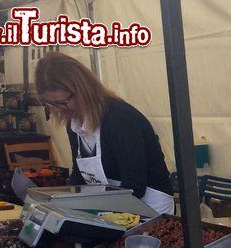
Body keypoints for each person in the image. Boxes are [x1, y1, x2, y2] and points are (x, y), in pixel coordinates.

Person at [34, 52, 174, 215]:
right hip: (113, 203)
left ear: (82, 90)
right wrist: (61, 202)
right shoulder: (74, 124)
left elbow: (134, 185)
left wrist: (98, 212)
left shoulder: (119, 119)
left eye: (63, 102)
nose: (59, 110)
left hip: (149, 206)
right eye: (52, 104)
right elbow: (79, 174)